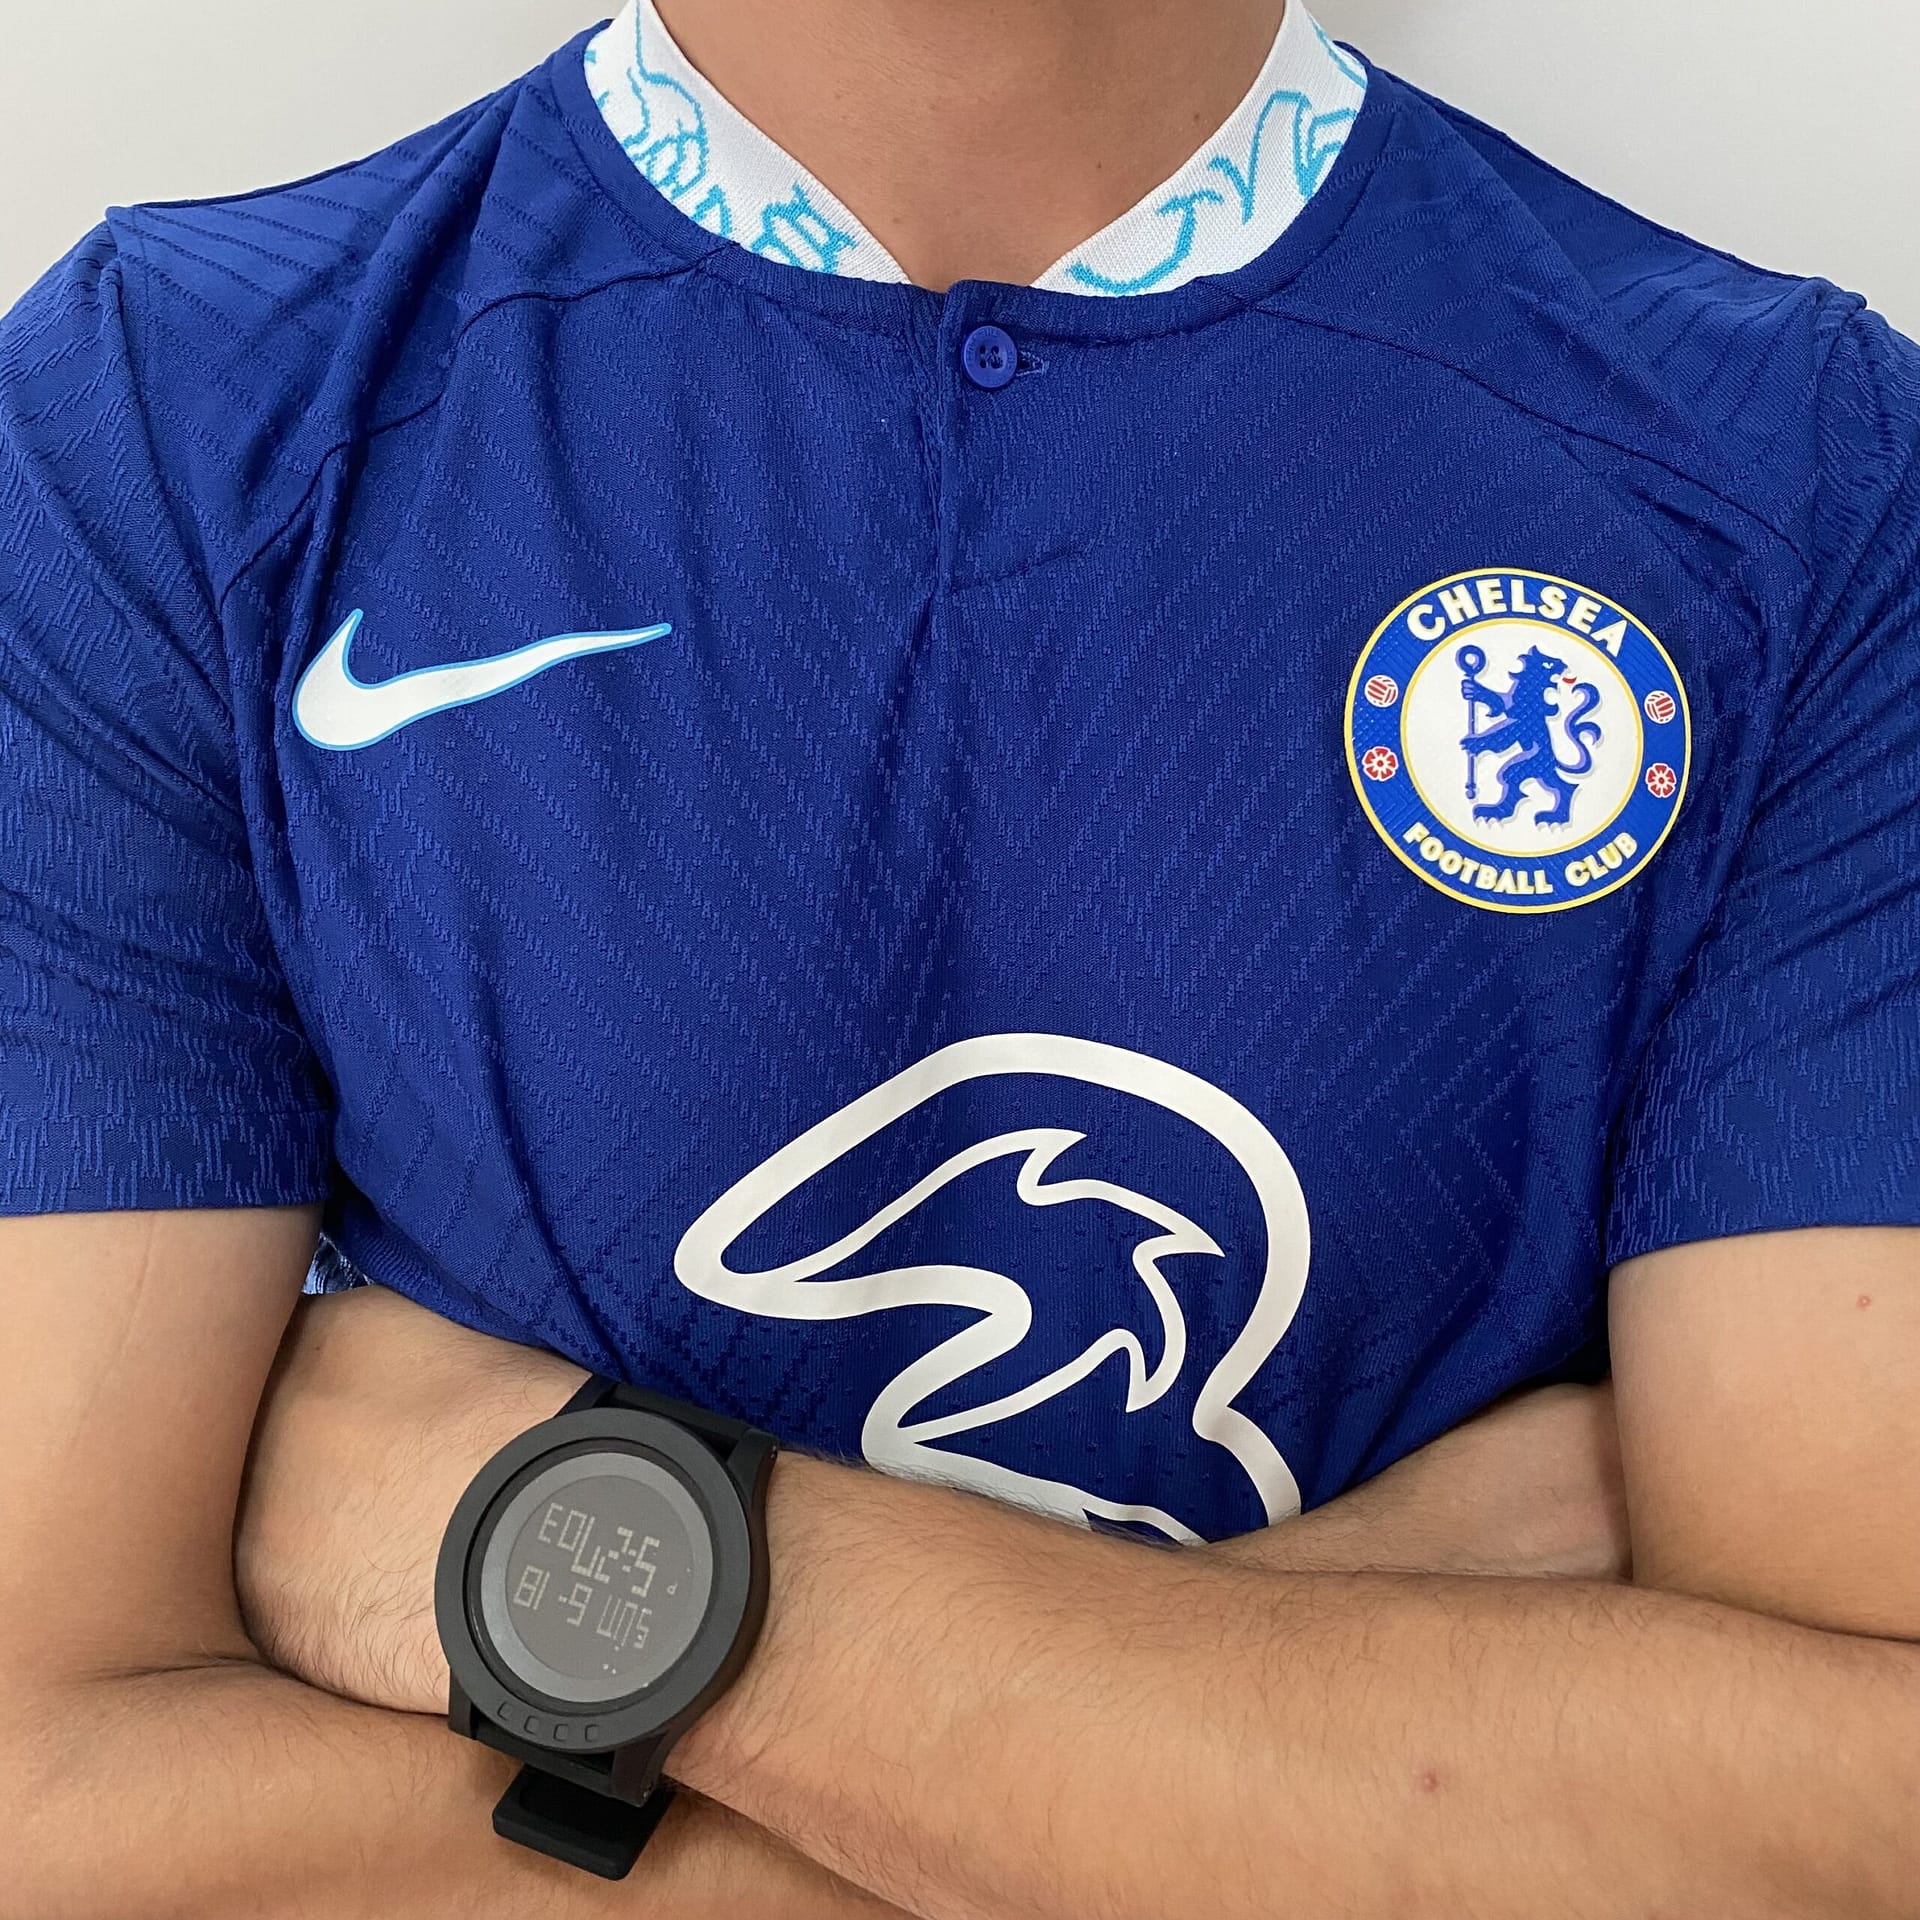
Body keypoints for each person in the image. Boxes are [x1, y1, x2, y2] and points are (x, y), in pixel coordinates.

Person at [2, 0, 1916, 1911]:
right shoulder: (163, 419)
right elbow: (55, 1806)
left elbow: (1852, 1826)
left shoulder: (1799, 476)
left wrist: (559, 1541)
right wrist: (1311, 1720)